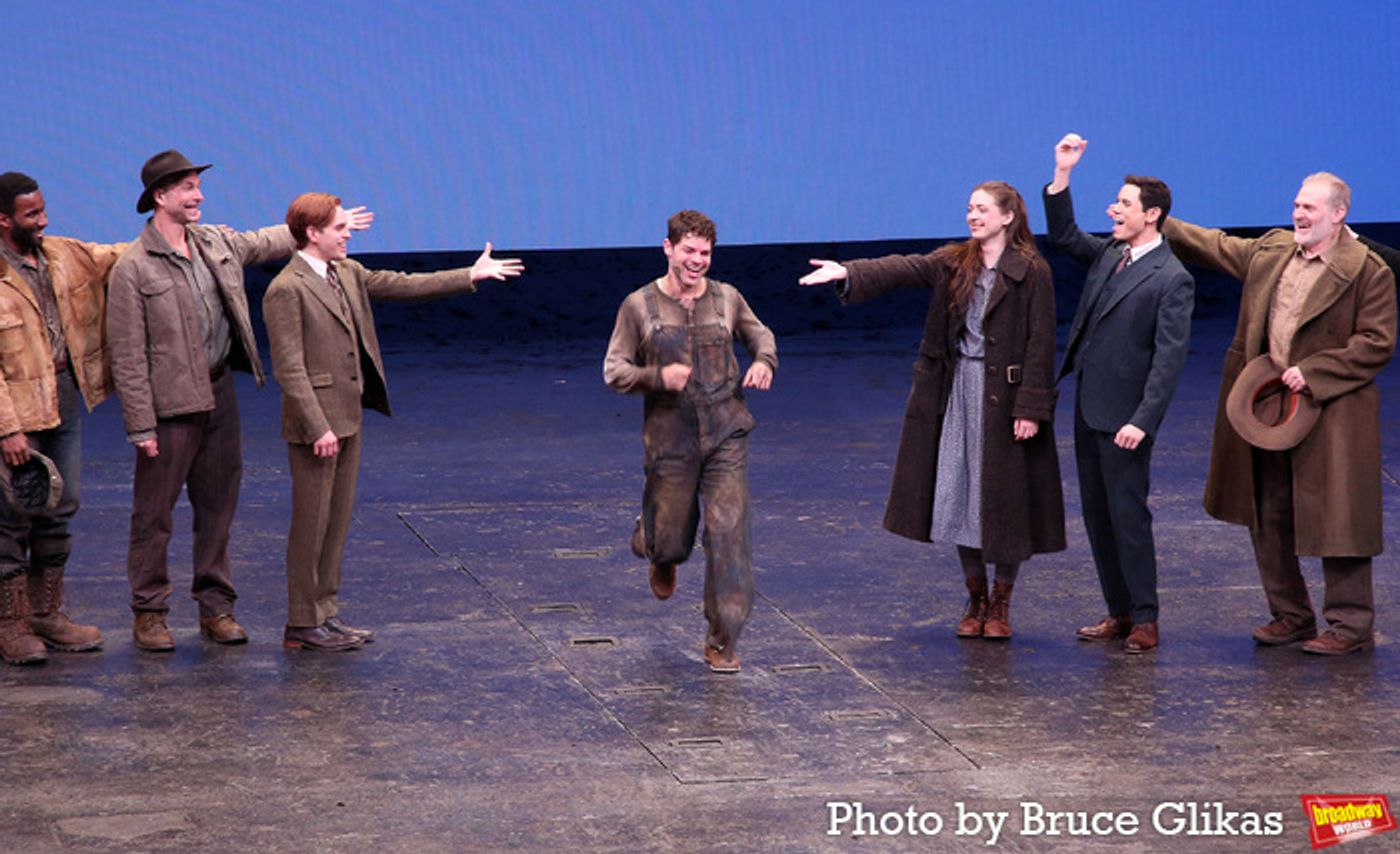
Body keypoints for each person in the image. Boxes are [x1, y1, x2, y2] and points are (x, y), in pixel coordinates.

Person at [105, 150, 371, 652]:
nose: (198, 194)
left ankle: (216, 607)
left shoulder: (215, 243)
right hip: (169, 405)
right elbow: (128, 356)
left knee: (219, 506)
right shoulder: (134, 268)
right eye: (186, 187)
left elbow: (265, 240)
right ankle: (150, 612)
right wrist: (140, 425)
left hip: (218, 391)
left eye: (197, 185)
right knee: (154, 514)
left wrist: (316, 226)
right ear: (160, 197)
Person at [800, 181, 1064, 640]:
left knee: (1005, 501)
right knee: (961, 492)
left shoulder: (1032, 271)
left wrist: (1031, 408)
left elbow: (1042, 343)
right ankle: (976, 596)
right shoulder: (956, 261)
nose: (973, 216)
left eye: (982, 209)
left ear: (1007, 217)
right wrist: (848, 272)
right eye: (969, 208)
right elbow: (904, 267)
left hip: (1004, 398)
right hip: (958, 389)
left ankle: (1002, 601)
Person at [264, 193, 522, 651]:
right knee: (311, 524)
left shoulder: (346, 272)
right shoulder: (287, 288)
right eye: (340, 228)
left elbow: (405, 284)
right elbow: (289, 368)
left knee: (336, 522)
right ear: (312, 233)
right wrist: (317, 426)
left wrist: (470, 274)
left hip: (348, 415)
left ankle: (326, 611)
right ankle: (301, 621)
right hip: (318, 425)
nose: (348, 234)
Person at [1162, 173, 1396, 655]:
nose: (1299, 214)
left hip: (1331, 408)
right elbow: (1217, 246)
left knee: (1337, 516)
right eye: (1296, 205)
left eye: (1310, 207)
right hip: (1271, 404)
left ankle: (1350, 625)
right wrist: (1159, 221)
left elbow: (1376, 343)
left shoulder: (1367, 270)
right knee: (1268, 507)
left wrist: (1315, 371)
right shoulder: (1273, 253)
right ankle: (1290, 614)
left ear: (1338, 214)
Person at [604, 210, 775, 673]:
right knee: (671, 539)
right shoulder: (638, 306)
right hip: (671, 440)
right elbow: (614, 370)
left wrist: (764, 362)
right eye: (689, 251)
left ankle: (722, 638)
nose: (698, 261)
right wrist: (658, 376)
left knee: (729, 534)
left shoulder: (727, 299)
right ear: (668, 248)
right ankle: (658, 548)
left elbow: (762, 336)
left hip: (726, 433)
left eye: (705, 253)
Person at [1044, 134, 1194, 654]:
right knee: (1096, 513)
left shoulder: (1171, 278)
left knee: (1128, 517)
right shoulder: (1112, 253)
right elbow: (1063, 235)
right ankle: (1119, 610)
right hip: (1090, 408)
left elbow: (1168, 359)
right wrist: (1063, 174)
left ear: (1151, 215)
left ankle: (1146, 617)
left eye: (1125, 203)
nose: (1114, 209)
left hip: (1127, 417)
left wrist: (1143, 419)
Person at [0, 173, 125, 665]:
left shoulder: (62, 254)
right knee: (11, 515)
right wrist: (7, 427)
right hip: (18, 410)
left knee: (60, 503)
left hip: (63, 395)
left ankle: (46, 614)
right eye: (32, 214)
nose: (44, 220)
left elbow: (119, 253)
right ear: (4, 220)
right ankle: (10, 624)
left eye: (43, 209)